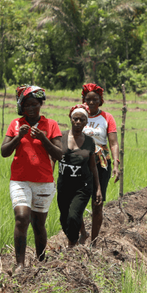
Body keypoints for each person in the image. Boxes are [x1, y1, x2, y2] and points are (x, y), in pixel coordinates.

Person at [1, 85, 63, 273]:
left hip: (44, 181)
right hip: (19, 180)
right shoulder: (15, 124)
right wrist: (18, 137)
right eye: (27, 105)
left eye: (34, 104)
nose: (31, 109)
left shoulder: (51, 125)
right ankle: (20, 264)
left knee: (38, 224)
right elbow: (4, 152)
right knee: (21, 218)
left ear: (41, 104)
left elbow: (59, 154)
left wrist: (44, 140)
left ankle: (41, 261)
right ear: (22, 106)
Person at [78, 83, 120, 243]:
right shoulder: (80, 115)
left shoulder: (107, 118)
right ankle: (83, 233)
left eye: (95, 99)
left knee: (97, 203)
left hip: (101, 163)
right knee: (77, 201)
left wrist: (116, 164)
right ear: (84, 100)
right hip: (81, 162)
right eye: (88, 100)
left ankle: (94, 241)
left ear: (100, 100)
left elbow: (113, 143)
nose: (91, 103)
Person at [57, 105, 102, 248]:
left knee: (73, 216)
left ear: (85, 123)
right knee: (64, 219)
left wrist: (98, 188)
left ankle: (72, 245)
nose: (77, 122)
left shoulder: (89, 142)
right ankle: (76, 238)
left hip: (82, 187)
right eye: (75, 119)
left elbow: (93, 166)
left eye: (81, 120)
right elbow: (53, 158)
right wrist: (50, 179)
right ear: (70, 119)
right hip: (63, 185)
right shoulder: (61, 137)